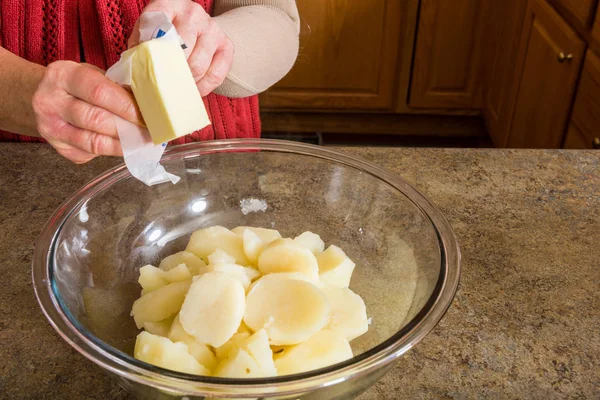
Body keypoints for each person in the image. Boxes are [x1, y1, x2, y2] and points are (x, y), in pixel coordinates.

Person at [0, 0, 299, 163]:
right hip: (29, 163)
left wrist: (212, 47)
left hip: (212, 160)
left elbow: (275, 19)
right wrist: (24, 91)